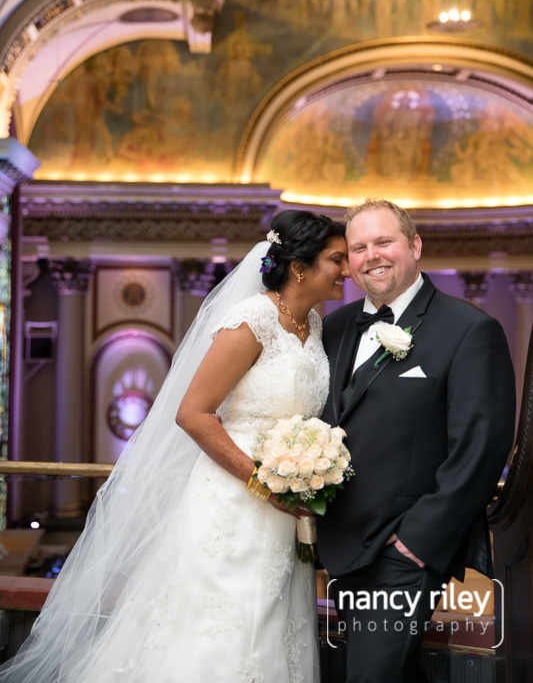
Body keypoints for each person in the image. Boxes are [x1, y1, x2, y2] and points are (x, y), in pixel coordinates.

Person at [0, 209, 349, 683]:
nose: (347, 271)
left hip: (287, 507)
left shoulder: (314, 325)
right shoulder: (253, 319)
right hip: (235, 502)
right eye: (337, 260)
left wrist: (310, 467)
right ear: (300, 267)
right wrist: (262, 483)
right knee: (222, 631)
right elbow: (192, 413)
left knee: (277, 628)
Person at [317, 198, 516, 683]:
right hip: (338, 546)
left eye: (383, 242)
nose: (371, 256)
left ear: (415, 246)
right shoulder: (333, 327)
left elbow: (480, 448)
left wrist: (416, 542)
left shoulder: (470, 330)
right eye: (359, 248)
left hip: (404, 551)